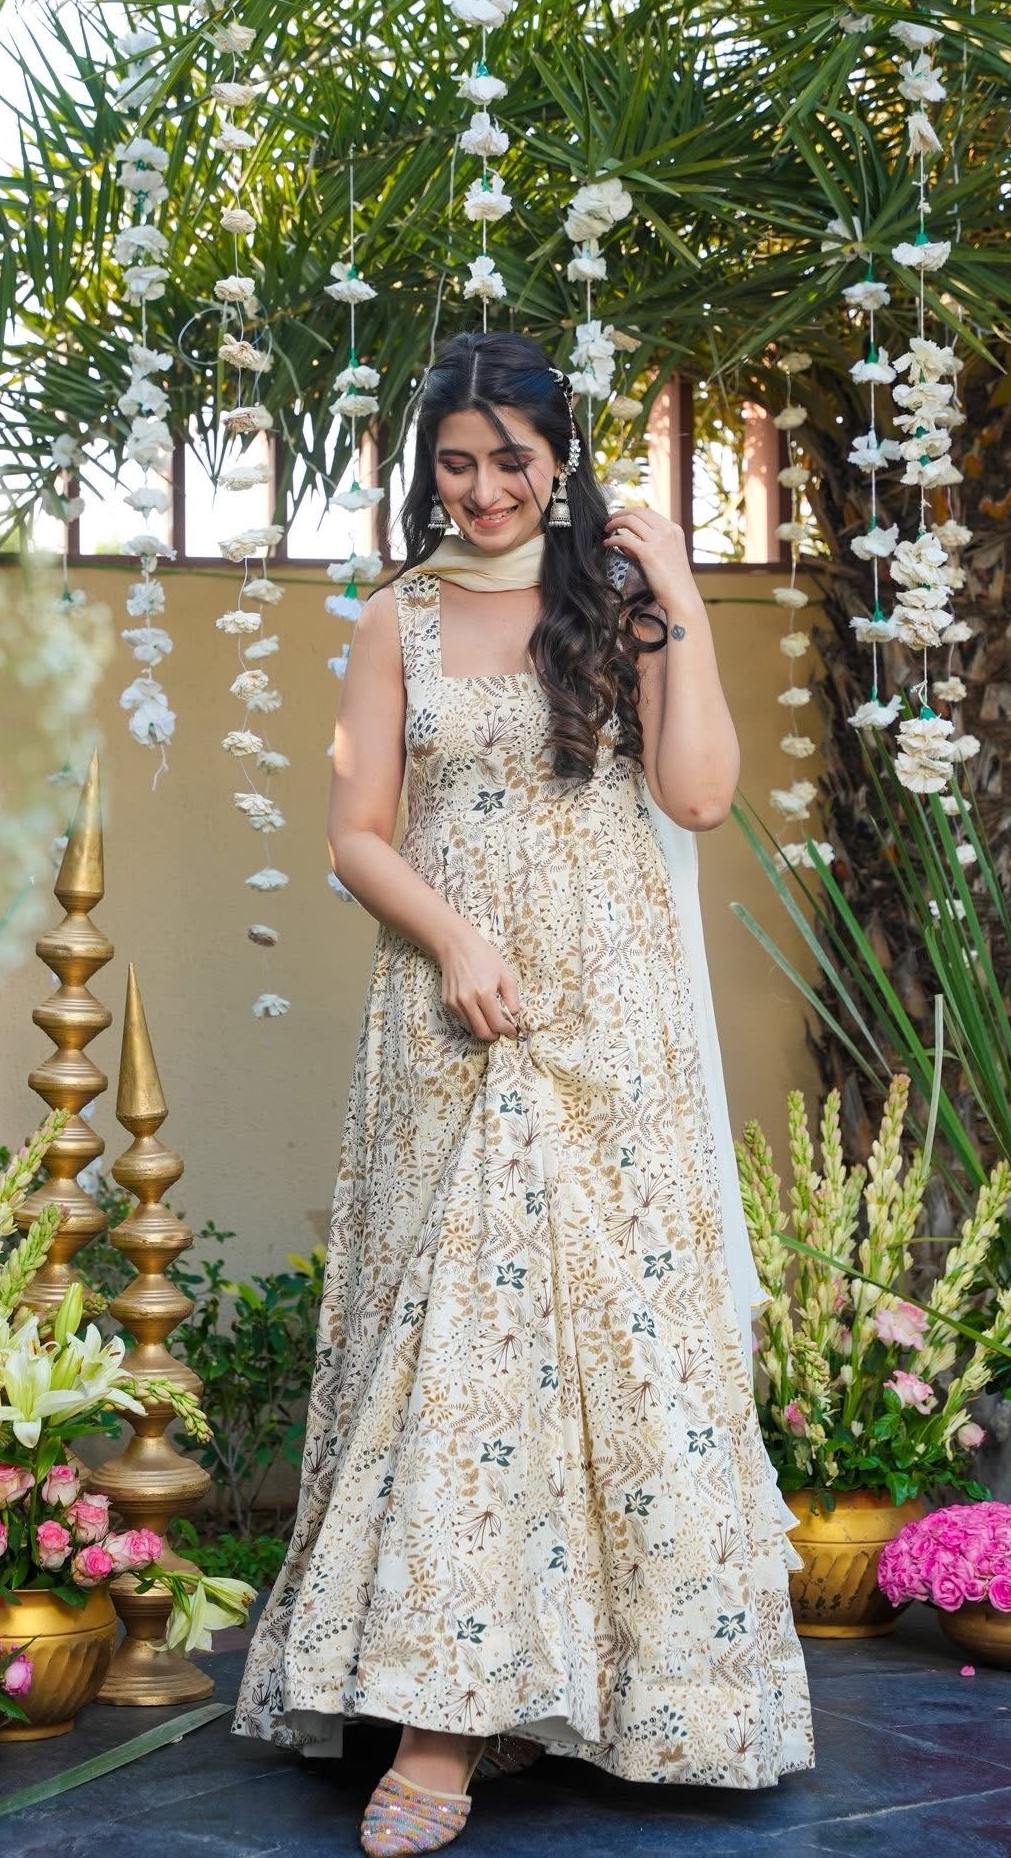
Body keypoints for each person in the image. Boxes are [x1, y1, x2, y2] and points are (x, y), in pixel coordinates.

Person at [232, 331, 813, 1854]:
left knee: (612, 1335)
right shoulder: (399, 617)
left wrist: (680, 599)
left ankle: (617, 1691)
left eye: (511, 460)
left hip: (609, 1014)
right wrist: (455, 938)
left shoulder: (616, 605)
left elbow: (697, 795)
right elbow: (357, 832)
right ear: (425, 471)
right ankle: (441, 1719)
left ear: (561, 461)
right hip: (458, 1015)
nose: (482, 490)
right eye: (455, 463)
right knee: (470, 1341)